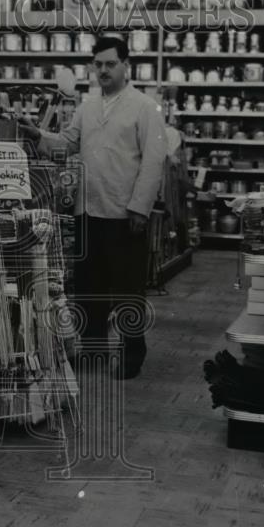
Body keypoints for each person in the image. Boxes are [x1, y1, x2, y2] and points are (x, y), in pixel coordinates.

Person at [17, 36, 167, 379]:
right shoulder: (87, 106)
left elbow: (154, 160)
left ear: (126, 65)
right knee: (90, 287)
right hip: (89, 209)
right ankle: (95, 349)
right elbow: (68, 143)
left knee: (128, 288)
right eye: (98, 64)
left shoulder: (145, 107)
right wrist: (38, 135)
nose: (103, 70)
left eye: (110, 64)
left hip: (124, 213)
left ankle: (132, 355)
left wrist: (140, 208)